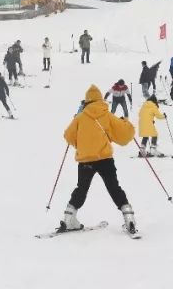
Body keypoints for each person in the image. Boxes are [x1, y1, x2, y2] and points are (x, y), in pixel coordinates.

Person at [60, 85, 137, 235]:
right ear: (100, 99)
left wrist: (80, 143)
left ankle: (68, 219)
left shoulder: (80, 117)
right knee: (114, 187)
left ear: (87, 100)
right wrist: (126, 123)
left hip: (85, 161)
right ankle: (129, 217)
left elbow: (68, 136)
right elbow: (124, 135)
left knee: (81, 189)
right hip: (105, 159)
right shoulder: (107, 115)